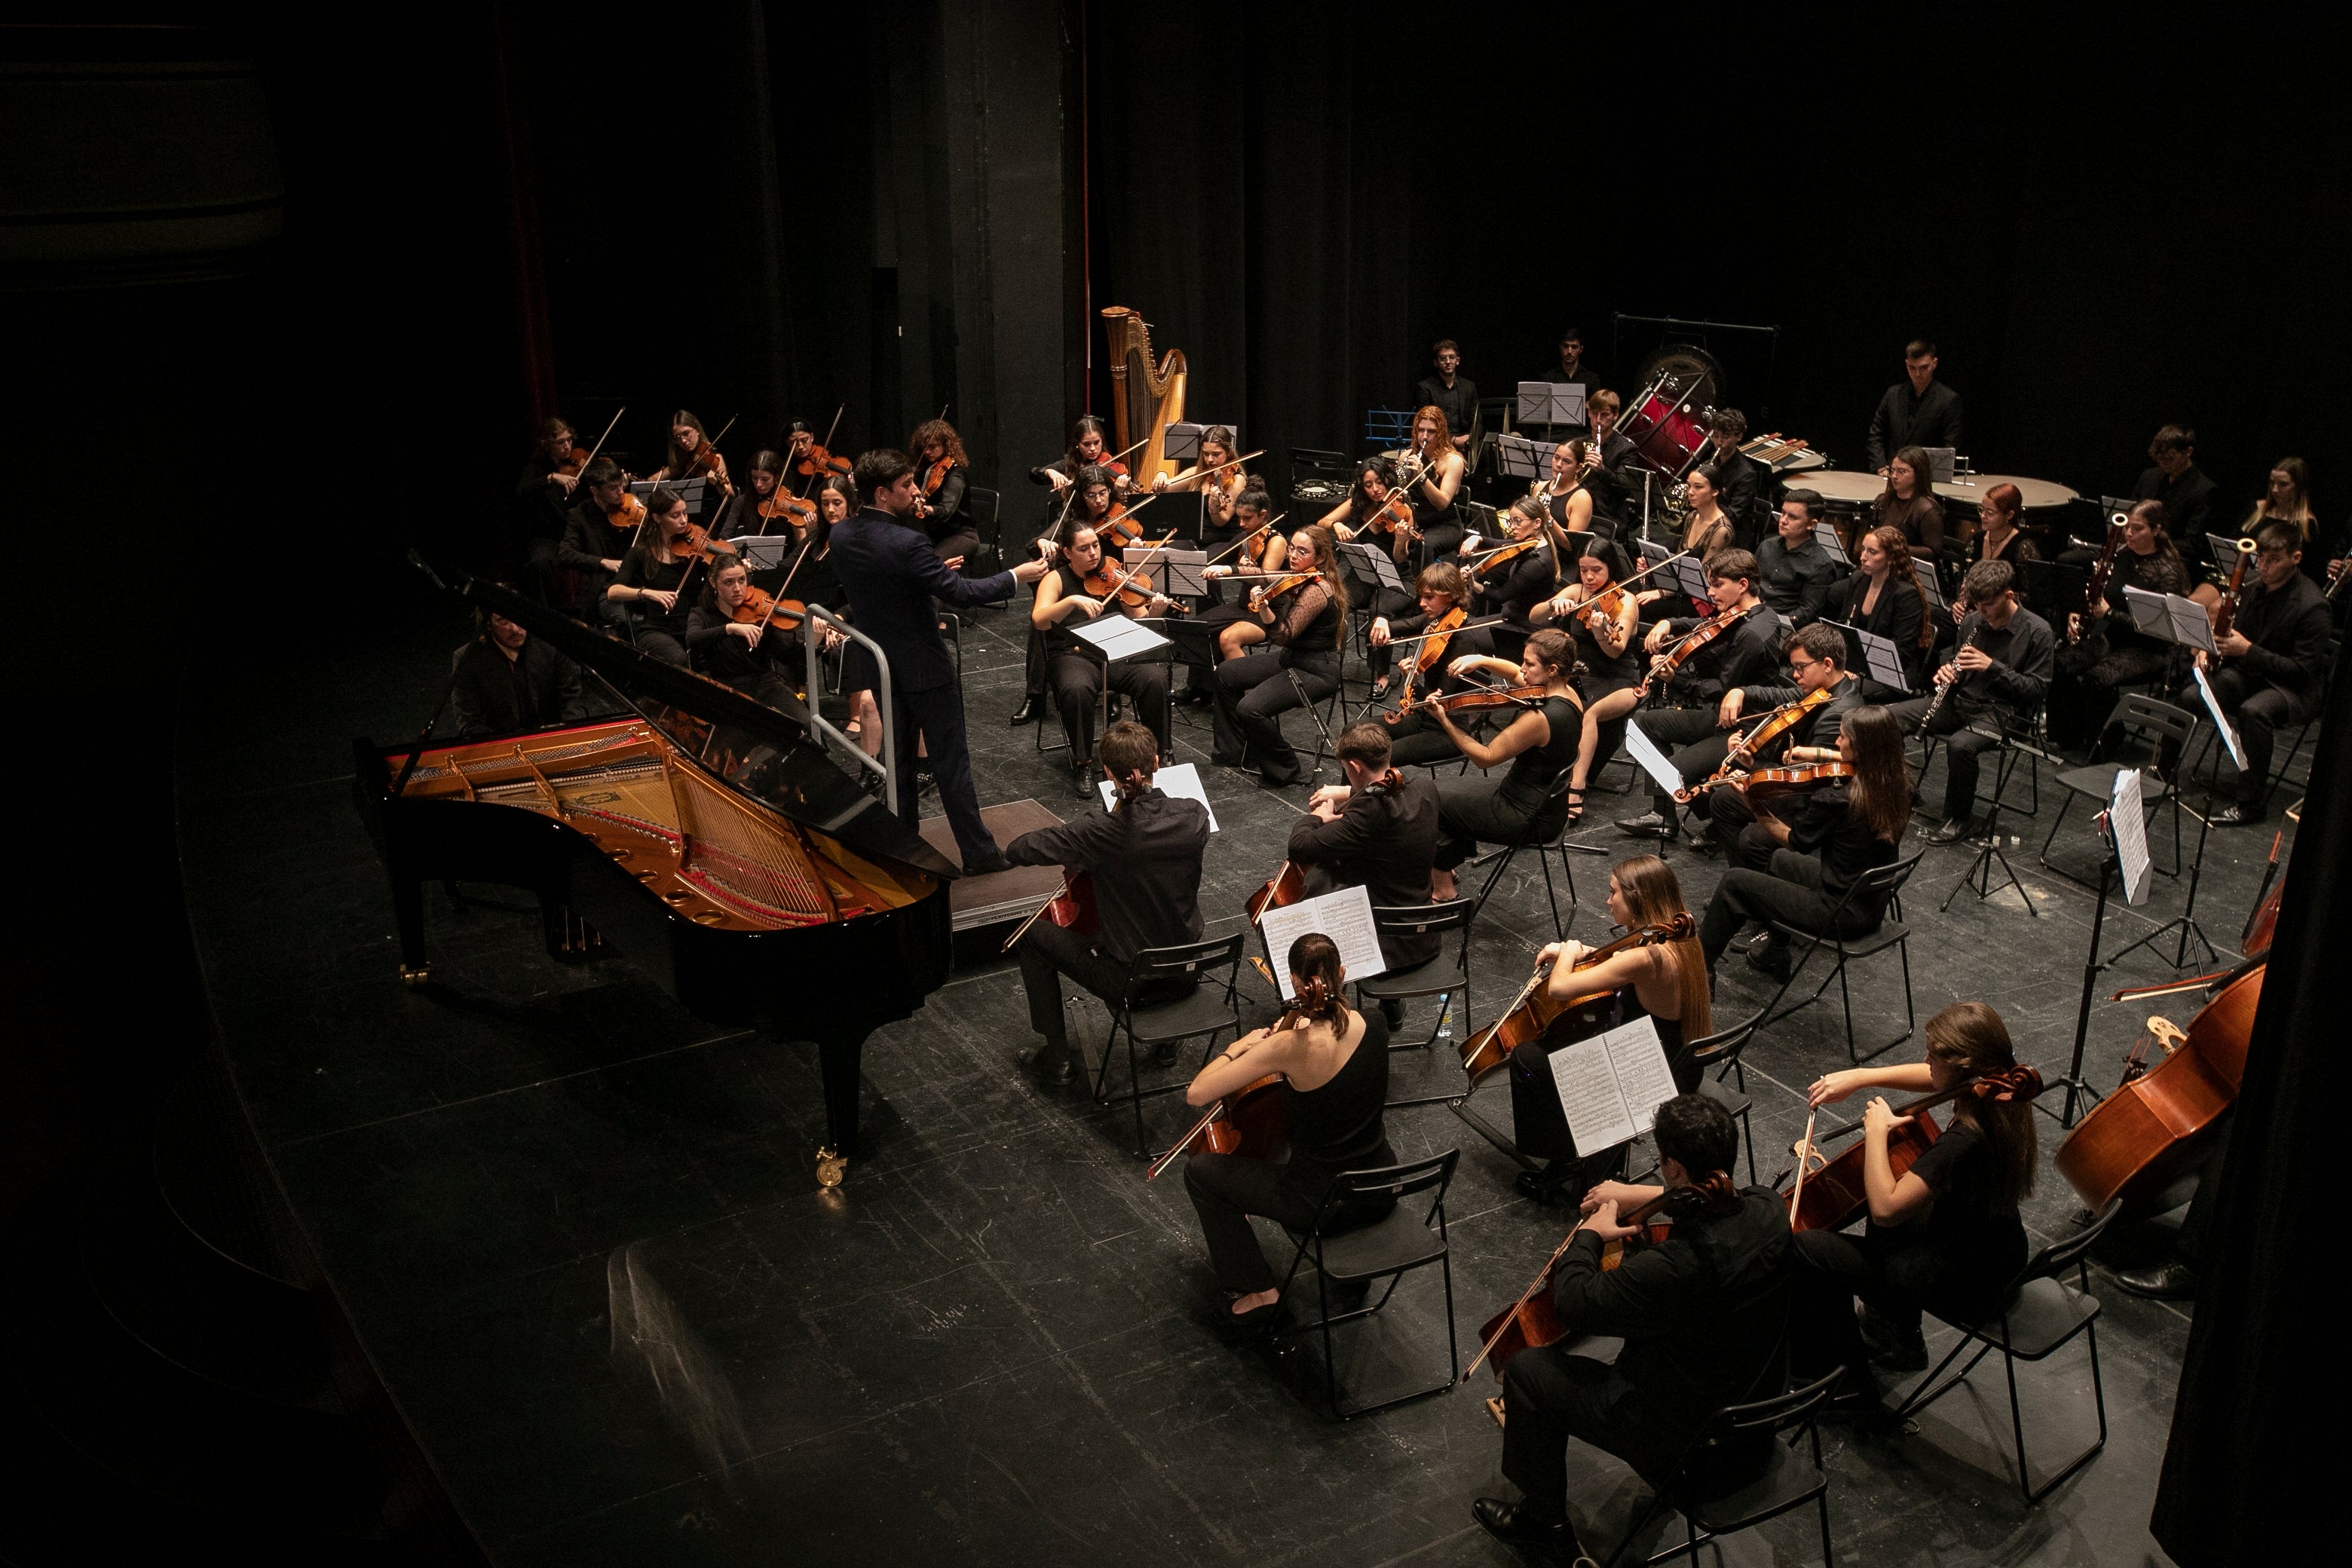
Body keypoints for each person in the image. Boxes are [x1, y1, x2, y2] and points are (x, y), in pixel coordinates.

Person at [1473, 1094, 1793, 1565]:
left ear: (1676, 1168)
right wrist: (1629, 1196)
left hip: (1689, 1453)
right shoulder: (1769, 1211)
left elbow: (1575, 1303)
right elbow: (1725, 1199)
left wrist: (1590, 1235)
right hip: (1757, 1428)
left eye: (1661, 1161)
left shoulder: (1674, 1269)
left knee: (1528, 1371)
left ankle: (1544, 1525)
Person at [1792, 1002, 2036, 1394]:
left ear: (1963, 1068)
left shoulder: (1963, 1141)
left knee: (1810, 1249)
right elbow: (1933, 1077)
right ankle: (1897, 1335)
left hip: (1966, 1283)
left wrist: (1876, 1132)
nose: (1925, 1061)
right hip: (1999, 1255)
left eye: (1934, 1055)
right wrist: (1860, 1077)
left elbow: (1886, 1209)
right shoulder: (2000, 1091)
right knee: (1897, 1176)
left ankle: (1846, 1383)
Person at [829, 449, 1049, 871]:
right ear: (881, 493)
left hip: (881, 664)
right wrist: (1014, 577)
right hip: (924, 666)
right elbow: (962, 594)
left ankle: (906, 843)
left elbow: (880, 588)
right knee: (950, 761)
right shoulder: (908, 542)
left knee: (899, 760)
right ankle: (979, 855)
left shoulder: (841, 535)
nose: (916, 491)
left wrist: (927, 572)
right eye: (906, 486)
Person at [1182, 933, 1395, 1330]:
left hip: (1321, 1202)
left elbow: (1198, 1094)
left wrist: (1241, 1047)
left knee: (1201, 1173)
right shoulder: (1377, 1024)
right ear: (1342, 974)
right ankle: (1355, 1277)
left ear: (1296, 984)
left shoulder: (1287, 1047)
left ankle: (1260, 1292)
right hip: (1379, 1187)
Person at [1003, 721, 1208, 1088]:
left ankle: (1057, 1058)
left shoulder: (1101, 831)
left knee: (1033, 937)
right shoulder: (1194, 815)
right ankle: (1166, 1043)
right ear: (1157, 763)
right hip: (1186, 974)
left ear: (1108, 773)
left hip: (1131, 983)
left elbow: (1025, 848)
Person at [1505, 855, 1713, 1205]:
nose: (1608, 900)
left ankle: (1565, 1159)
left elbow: (1559, 989)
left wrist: (1568, 950)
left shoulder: (1646, 956)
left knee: (1529, 1058)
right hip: (1680, 1064)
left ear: (1636, 899)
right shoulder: (1681, 938)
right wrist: (1581, 953)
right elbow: (1617, 963)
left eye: (1613, 892)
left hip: (1645, 1074)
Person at [1696, 703, 1909, 979]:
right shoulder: (1899, 785)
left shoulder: (1838, 800)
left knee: (1734, 882)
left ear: (1861, 748)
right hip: (1869, 904)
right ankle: (1776, 951)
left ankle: (1699, 971)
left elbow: (1794, 840)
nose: (1836, 742)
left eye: (1843, 738)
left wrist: (1753, 804)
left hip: (1837, 914)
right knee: (1780, 861)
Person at [1617, 551, 1790, 842]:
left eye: (1717, 585)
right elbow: (1706, 626)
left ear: (1743, 584)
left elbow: (1722, 691)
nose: (1710, 592)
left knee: (1670, 774)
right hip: (1721, 716)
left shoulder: (1752, 634)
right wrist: (1669, 623)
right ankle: (1662, 817)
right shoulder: (1751, 613)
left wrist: (1677, 680)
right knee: (1647, 724)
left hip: (1742, 728)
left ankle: (1722, 819)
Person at [2171, 519, 2331, 825]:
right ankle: (2163, 773)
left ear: (2295, 559)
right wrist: (2209, 647)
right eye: (2261, 558)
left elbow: (2301, 671)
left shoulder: (2314, 606)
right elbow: (2234, 633)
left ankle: (2251, 805)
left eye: (2274, 560)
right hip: (2252, 673)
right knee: (2194, 692)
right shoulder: (2253, 586)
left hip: (2292, 689)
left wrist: (2247, 650)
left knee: (2254, 711)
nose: (2264, 566)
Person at [1889, 559, 2054, 844]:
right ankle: (1900, 790)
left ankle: (1959, 819)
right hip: (1959, 701)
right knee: (1887, 718)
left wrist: (1992, 667)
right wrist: (1948, 672)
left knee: (1960, 745)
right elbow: (1958, 662)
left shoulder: (2038, 632)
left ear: (2009, 595)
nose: (1981, 612)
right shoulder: (1971, 621)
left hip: (2004, 713)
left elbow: (2036, 690)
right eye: (1977, 605)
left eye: (1988, 605)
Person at [1426, 629, 1585, 902]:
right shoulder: (1570, 694)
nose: (1522, 669)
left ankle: (1443, 890)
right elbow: (1515, 674)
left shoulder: (1540, 718)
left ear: (1552, 669)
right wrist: (1480, 659)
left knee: (1430, 799)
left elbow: (1485, 757)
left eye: (1530, 664)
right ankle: (1446, 865)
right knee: (1440, 790)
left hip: (1522, 815)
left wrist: (1444, 720)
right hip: (1549, 807)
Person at [1698, 623, 1869, 865]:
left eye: (1801, 668)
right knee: (1724, 798)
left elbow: (1808, 782)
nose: (1795, 675)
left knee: (1733, 814)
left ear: (1828, 664)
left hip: (1811, 804)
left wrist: (1755, 766)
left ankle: (1747, 883)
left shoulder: (1837, 714)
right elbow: (1781, 696)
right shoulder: (1826, 691)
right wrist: (1740, 692)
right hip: (1805, 790)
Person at [1291, 724, 1444, 990]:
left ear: (1355, 766)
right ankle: (1392, 1008)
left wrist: (1317, 817)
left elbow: (1300, 847)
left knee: (1317, 883)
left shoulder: (1371, 809)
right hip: (1425, 938)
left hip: (1384, 946)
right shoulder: (1424, 788)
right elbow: (1384, 820)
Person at [1029, 522, 1174, 797]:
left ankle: (1158, 755)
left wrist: (1153, 610)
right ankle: (1084, 763)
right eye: (1084, 549)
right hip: (1074, 654)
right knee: (1076, 689)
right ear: (1068, 552)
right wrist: (1072, 601)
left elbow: (1138, 615)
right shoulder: (1057, 579)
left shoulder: (1113, 573)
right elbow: (1039, 620)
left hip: (1115, 650)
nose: (1093, 553)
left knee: (1154, 678)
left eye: (1095, 545)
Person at [1210, 526, 1347, 788]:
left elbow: (1283, 635)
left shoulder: (1317, 591)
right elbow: (1264, 573)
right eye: (1292, 548)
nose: (1293, 556)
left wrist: (1264, 610)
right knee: (1226, 673)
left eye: (1302, 552)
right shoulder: (1298, 576)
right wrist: (1227, 570)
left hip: (1317, 671)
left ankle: (1285, 766)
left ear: (1319, 558)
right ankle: (1237, 750)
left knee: (1251, 709)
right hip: (1292, 660)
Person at [2048, 499, 2188, 748]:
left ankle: (2106, 741)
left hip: (2151, 649)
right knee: (2060, 663)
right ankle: (2070, 735)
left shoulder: (2168, 573)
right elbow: (2096, 592)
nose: (2129, 534)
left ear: (2157, 530)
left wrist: (2109, 614)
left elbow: (2157, 629)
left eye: (2138, 529)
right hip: (2115, 637)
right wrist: (2078, 612)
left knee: (2097, 678)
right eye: (2127, 527)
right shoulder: (2122, 555)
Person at [1536, 541, 1642, 816]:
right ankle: (1545, 773)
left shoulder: (1626, 601)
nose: (1590, 577)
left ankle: (1577, 786)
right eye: (1584, 570)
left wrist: (1599, 632)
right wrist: (1552, 603)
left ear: (1611, 567)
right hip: (1582, 674)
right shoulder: (1578, 591)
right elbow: (1534, 617)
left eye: (1597, 570)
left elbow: (1616, 651)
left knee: (1588, 713)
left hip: (1621, 679)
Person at [1371, 563, 1498, 767]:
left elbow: (1438, 703)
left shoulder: (1463, 638)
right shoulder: (1436, 620)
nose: (1422, 603)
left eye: (1429, 597)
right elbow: (1396, 627)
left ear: (1451, 595)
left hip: (1447, 728)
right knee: (1355, 733)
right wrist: (1381, 620)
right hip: (1422, 714)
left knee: (1380, 758)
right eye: (1421, 596)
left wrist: (1410, 680)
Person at [451, 600, 585, 738]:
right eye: (503, 621)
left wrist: (571, 737)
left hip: (553, 738)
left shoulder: (550, 645)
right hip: (501, 745)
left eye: (518, 617)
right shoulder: (468, 658)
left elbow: (572, 701)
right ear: (488, 625)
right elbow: (469, 723)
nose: (515, 629)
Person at [605, 486, 705, 666]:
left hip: (691, 627)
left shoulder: (694, 552)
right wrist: (647, 593)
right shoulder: (640, 552)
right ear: (657, 518)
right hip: (657, 630)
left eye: (685, 513)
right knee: (678, 659)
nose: (683, 520)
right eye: (675, 516)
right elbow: (613, 591)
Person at [1830, 525, 1933, 698]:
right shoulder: (1858, 580)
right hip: (1855, 665)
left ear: (1891, 558)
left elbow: (1901, 653)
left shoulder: (1906, 595)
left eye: (1872, 552)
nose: (1863, 557)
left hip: (1891, 675)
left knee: (1839, 692)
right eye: (1863, 550)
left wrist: (1857, 672)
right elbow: (1843, 626)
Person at [686, 555, 799, 712]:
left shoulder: (758, 613)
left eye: (742, 580)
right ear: (713, 583)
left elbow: (785, 655)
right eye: (728, 582)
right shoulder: (701, 614)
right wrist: (730, 628)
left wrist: (813, 640)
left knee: (807, 726)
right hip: (729, 690)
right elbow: (692, 639)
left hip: (766, 684)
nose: (738, 589)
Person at [1465, 496, 1570, 659]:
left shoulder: (1537, 564)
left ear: (1536, 523)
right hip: (1511, 618)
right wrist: (1477, 538)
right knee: (1465, 627)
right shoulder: (1530, 544)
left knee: (1466, 636)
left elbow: (1500, 597)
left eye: (1518, 522)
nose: (1512, 527)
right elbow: (1498, 543)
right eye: (1511, 521)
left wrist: (1474, 584)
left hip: (1524, 630)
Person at [2210, 455, 2326, 592]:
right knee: (2198, 599)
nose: (2275, 490)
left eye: (2283, 484)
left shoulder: (2306, 525)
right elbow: (2233, 542)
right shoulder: (2255, 509)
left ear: (2298, 487)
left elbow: (2309, 570)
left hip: (2272, 586)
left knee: (2216, 608)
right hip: (2236, 576)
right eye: (2272, 483)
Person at [2131, 424, 2222, 577]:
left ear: (2188, 452)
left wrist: (2152, 544)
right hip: (2136, 551)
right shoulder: (2149, 477)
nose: (2162, 463)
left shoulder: (2204, 490)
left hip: (2173, 563)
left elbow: (2193, 544)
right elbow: (2130, 512)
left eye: (2170, 458)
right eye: (2159, 459)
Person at [556, 457, 638, 623]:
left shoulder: (632, 509)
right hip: (604, 587)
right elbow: (565, 554)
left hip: (636, 580)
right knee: (626, 620)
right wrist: (602, 562)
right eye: (612, 488)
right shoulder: (579, 515)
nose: (621, 492)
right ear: (595, 491)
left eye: (621, 485)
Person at [1865, 338, 1964, 473]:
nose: (1917, 374)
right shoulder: (1893, 394)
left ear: (1934, 363)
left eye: (1924, 368)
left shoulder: (1948, 400)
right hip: (1892, 475)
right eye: (1912, 368)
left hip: (1925, 481)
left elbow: (1950, 448)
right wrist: (1880, 466)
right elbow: (1876, 434)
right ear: (1906, 364)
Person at [1753, 489, 1845, 628]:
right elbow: (1751, 583)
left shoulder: (1821, 565)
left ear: (1811, 524)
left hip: (1784, 627)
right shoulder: (1767, 546)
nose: (1783, 521)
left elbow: (1806, 613)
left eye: (1793, 517)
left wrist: (1771, 621)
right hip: (1753, 615)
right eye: (1783, 513)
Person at [1153, 424, 1250, 548]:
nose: (1209, 459)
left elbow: (1221, 521)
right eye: (1206, 454)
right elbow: (1165, 489)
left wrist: (1214, 506)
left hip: (1223, 542)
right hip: (1197, 540)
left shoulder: (1237, 479)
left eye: (1216, 454)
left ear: (1228, 453)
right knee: (1162, 552)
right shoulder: (1198, 473)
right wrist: (1162, 474)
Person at [1399, 406, 1468, 558]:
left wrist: (1422, 476)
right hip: (1415, 521)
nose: (1424, 437)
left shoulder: (1453, 461)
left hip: (1445, 525)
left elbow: (1442, 503)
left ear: (1441, 433)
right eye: (1421, 430)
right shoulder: (1405, 457)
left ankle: (1424, 582)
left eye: (1431, 432)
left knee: (1425, 545)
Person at [908, 418, 978, 566]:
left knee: (929, 564)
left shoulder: (956, 473)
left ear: (946, 445)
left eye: (933, 447)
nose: (927, 451)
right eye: (925, 447)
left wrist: (926, 509)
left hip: (961, 535)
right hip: (934, 535)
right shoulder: (926, 469)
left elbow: (947, 510)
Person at [1580, 388, 1643, 531]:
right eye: (1594, 413)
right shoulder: (1578, 444)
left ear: (1615, 415)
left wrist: (1602, 470)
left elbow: (1626, 488)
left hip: (1606, 514)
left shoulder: (1626, 449)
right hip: (1577, 507)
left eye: (1605, 415)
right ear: (1589, 412)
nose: (1598, 420)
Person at [1699, 409, 1763, 544]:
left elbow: (1733, 516)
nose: (1719, 442)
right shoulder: (1709, 465)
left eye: (1726, 437)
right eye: (1716, 436)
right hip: (1707, 529)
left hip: (1733, 537)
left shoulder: (1747, 474)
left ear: (1738, 437)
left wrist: (1707, 498)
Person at [1527, 326, 1599, 441]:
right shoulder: (1548, 377)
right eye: (1566, 346)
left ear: (1581, 350)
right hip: (1554, 434)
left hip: (1581, 435)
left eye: (1574, 347)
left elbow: (1596, 411)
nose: (1569, 351)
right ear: (1561, 348)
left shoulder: (1591, 379)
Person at [1876, 446, 1948, 556]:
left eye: (1902, 471)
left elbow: (1934, 552)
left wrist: (1896, 550)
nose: (1894, 476)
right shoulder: (1883, 501)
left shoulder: (1927, 510)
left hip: (1909, 568)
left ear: (1918, 474)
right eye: (1892, 471)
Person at [1413, 340, 1478, 457]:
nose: (1448, 362)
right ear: (1436, 363)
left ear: (1457, 361)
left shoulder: (1469, 387)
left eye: (1452, 357)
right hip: (1437, 440)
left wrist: (1470, 438)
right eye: (1443, 358)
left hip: (1466, 441)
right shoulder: (1425, 388)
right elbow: (1426, 422)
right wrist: (1453, 440)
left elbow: (1477, 420)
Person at [650, 408, 732, 495]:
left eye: (686, 433)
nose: (683, 441)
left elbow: (731, 496)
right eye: (677, 437)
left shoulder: (715, 458)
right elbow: (653, 479)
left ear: (697, 431)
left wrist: (717, 484)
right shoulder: (683, 461)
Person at [1964, 482, 2039, 575]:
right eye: (1982, 510)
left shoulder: (2023, 548)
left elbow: (2031, 588)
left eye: (1990, 512)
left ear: (2009, 515)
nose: (1983, 516)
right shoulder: (1975, 539)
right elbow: (1961, 578)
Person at [1671, 466, 1738, 565]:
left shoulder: (1722, 530)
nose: (1690, 492)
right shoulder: (1692, 516)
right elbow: (1679, 557)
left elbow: (1705, 572)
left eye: (1698, 487)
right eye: (1689, 486)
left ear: (1715, 492)